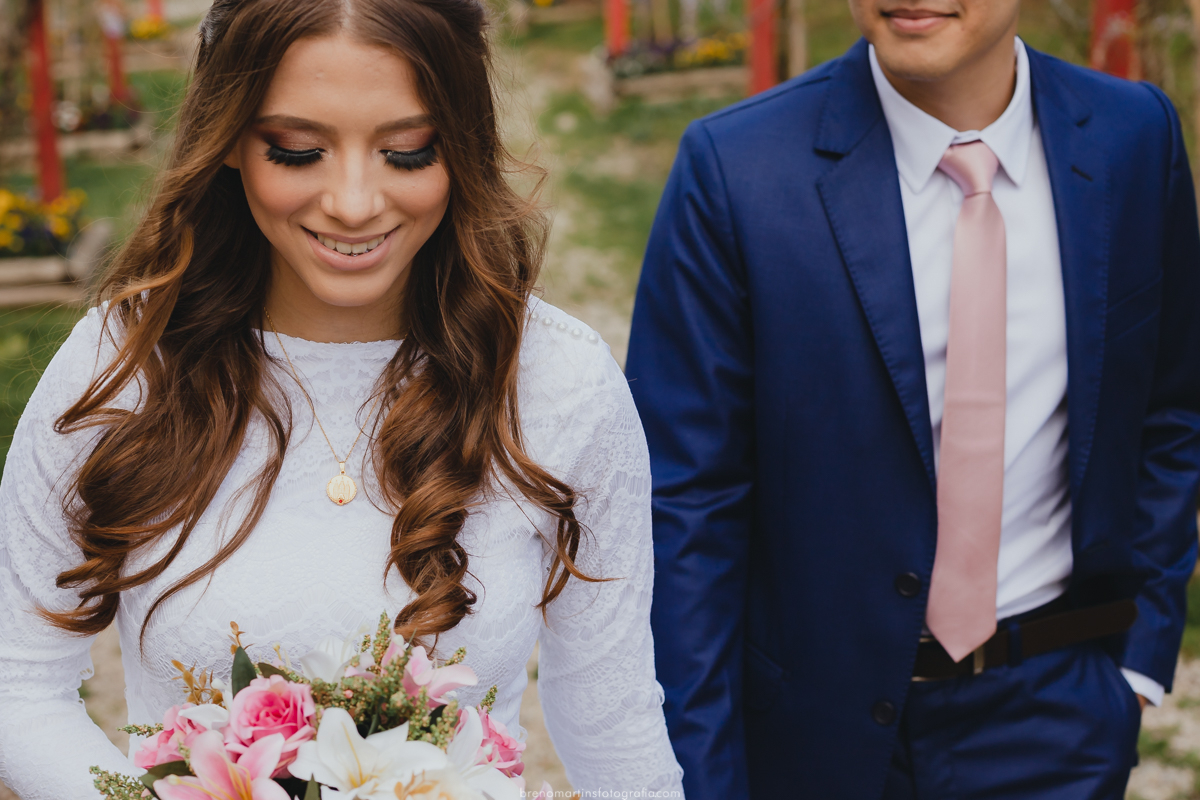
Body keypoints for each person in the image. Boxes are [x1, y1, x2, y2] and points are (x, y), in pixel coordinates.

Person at [0, 1, 684, 797]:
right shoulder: (119, 366)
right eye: (297, 151)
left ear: (460, 143)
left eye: (407, 151)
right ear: (227, 141)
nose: (354, 203)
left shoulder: (559, 380)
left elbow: (614, 716)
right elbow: (18, 684)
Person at [626, 0, 1200, 794]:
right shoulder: (735, 169)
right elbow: (683, 508)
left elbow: (1170, 408)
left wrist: (1138, 667)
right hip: (808, 734)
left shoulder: (1135, 137)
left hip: (1058, 718)